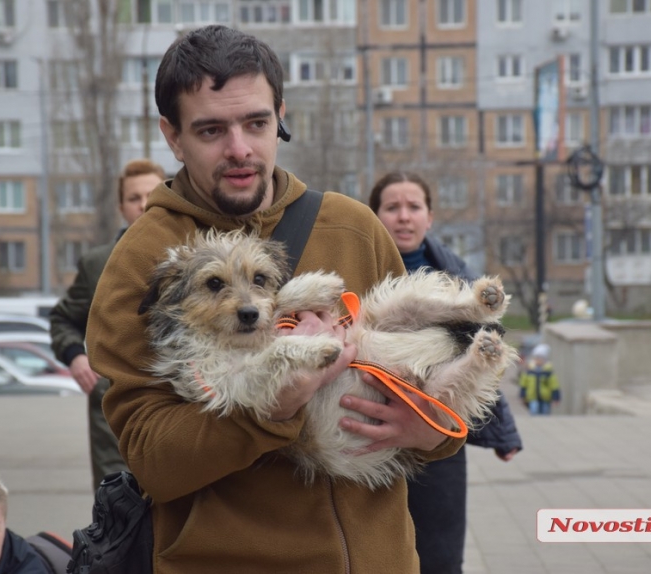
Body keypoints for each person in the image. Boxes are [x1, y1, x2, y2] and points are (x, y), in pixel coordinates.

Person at [85, 25, 464, 573]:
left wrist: (434, 430)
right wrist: (272, 408)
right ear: (172, 136)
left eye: (256, 123)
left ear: (280, 115)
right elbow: (150, 460)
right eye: (211, 129)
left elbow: (433, 371)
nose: (239, 149)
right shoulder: (144, 257)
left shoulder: (353, 225)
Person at [369, 170, 523, 574]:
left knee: (439, 555)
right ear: (374, 215)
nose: (404, 217)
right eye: (392, 207)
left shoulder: (461, 275)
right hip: (370, 425)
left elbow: (486, 353)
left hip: (438, 432)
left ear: (429, 217)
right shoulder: (360, 268)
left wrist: (502, 432)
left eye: (413, 207)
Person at [50, 158, 166, 489]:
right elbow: (63, 319)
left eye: (153, 194)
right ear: (121, 207)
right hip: (114, 410)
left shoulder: (197, 253)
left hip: (181, 401)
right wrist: (76, 356)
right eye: (134, 198)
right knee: (120, 508)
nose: (144, 205)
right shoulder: (98, 263)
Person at [519, 343, 561, 415]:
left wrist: (556, 397)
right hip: (532, 396)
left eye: (541, 358)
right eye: (537, 358)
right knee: (534, 411)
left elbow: (554, 385)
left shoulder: (548, 372)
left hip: (545, 397)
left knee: (545, 412)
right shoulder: (529, 371)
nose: (538, 360)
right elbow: (524, 384)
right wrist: (523, 395)